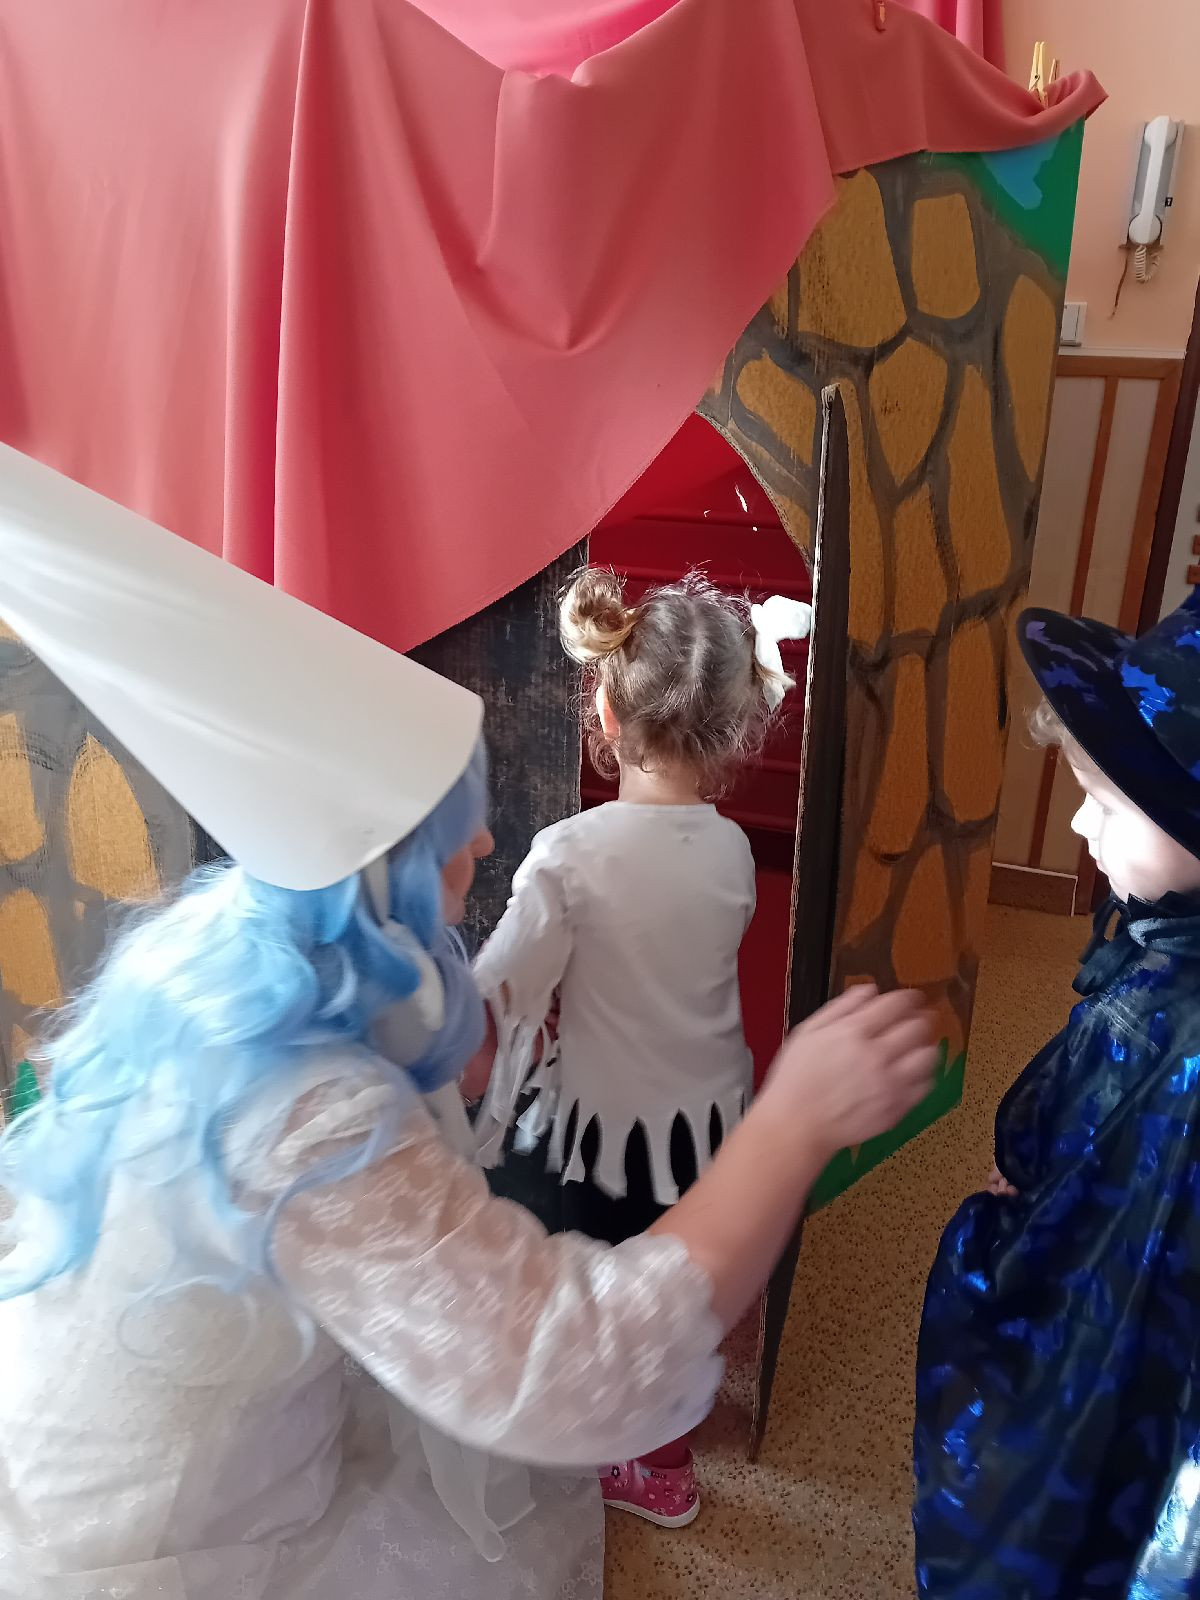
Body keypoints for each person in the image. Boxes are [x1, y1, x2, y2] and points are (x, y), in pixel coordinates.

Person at [0, 444, 937, 1600]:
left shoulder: (222, 948)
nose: (487, 843)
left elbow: (497, 987)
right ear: (377, 862)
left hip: (116, 1435)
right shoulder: (311, 1115)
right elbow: (572, 1365)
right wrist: (791, 1121)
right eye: (456, 827)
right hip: (162, 1544)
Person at [470, 566, 810, 1527]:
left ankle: (638, 1458)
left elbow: (503, 982)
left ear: (606, 715)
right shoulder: (733, 851)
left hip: (611, 1132)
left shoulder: (569, 853)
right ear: (732, 734)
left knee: (616, 1291)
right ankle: (667, 1454)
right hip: (710, 1123)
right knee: (679, 1288)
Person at [913, 591, 1200, 1599]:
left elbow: (1101, 1272)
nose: (1080, 823)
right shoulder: (1163, 956)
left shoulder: (1164, 1030)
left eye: (1107, 803)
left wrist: (1000, 1233)